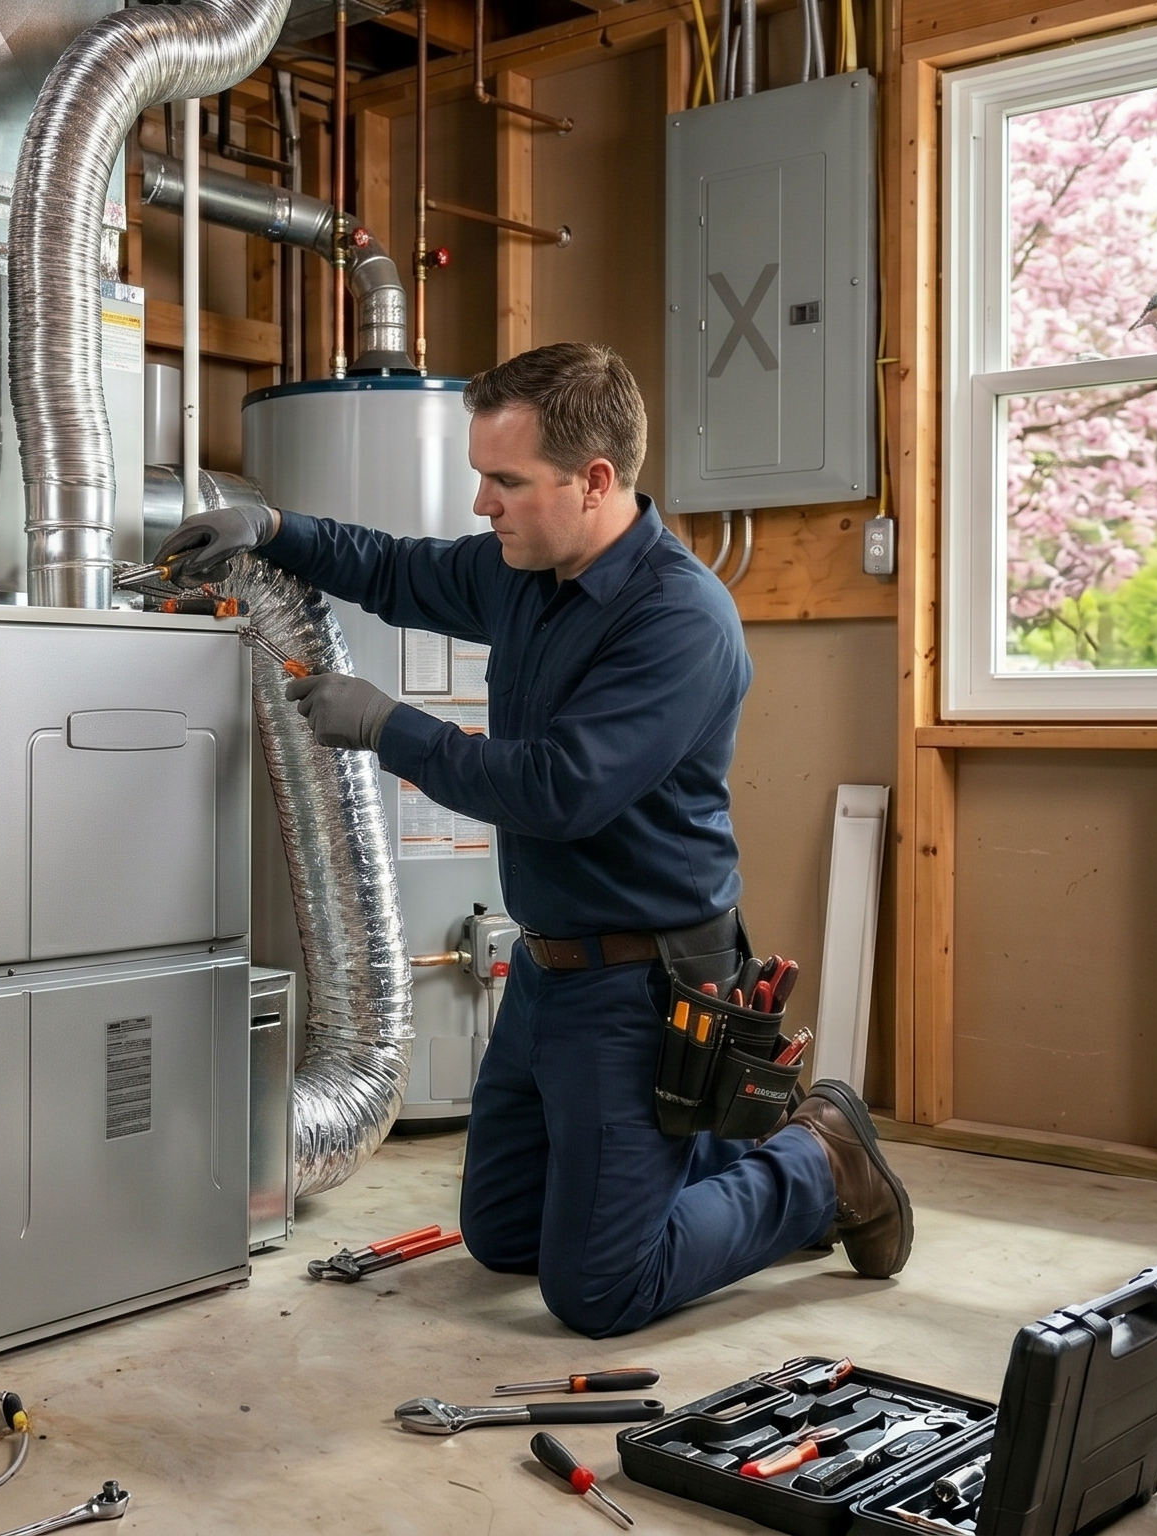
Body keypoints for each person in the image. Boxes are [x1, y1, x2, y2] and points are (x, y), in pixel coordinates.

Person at [156, 342, 912, 1338]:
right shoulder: (528, 570)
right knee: (504, 1235)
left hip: (645, 986)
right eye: (480, 477)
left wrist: (388, 726)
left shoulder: (676, 620)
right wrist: (275, 526)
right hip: (549, 969)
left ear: (594, 481)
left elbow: (561, 791)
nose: (482, 504)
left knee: (599, 1290)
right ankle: (719, 1156)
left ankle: (817, 1162)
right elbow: (393, 568)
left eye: (505, 481)